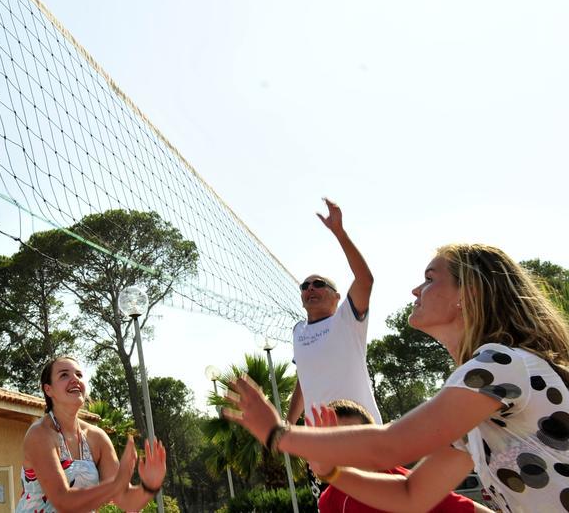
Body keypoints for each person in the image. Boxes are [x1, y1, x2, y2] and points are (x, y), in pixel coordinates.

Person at [223, 243, 569, 513]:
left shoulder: (500, 364)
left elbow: (389, 446)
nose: (416, 291)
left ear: (469, 295)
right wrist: (332, 473)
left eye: (430, 279)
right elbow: (412, 495)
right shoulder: (478, 402)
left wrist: (278, 433)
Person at [17, 356, 167, 513]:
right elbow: (63, 501)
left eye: (79, 375)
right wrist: (116, 484)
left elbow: (126, 500)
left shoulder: (97, 437)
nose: (75, 379)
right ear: (48, 389)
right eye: (64, 375)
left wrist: (149, 486)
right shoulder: (40, 434)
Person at [288, 198, 382, 426]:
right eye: (305, 286)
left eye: (319, 284)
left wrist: (339, 233)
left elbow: (365, 280)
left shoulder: (347, 319)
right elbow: (304, 377)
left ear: (337, 296)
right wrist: (287, 423)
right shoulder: (298, 331)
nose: (310, 287)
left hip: (361, 431)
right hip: (320, 442)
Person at [313, 400, 487, 512]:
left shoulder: (402, 483)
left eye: (350, 437)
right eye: (333, 439)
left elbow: (470, 509)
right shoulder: (329, 500)